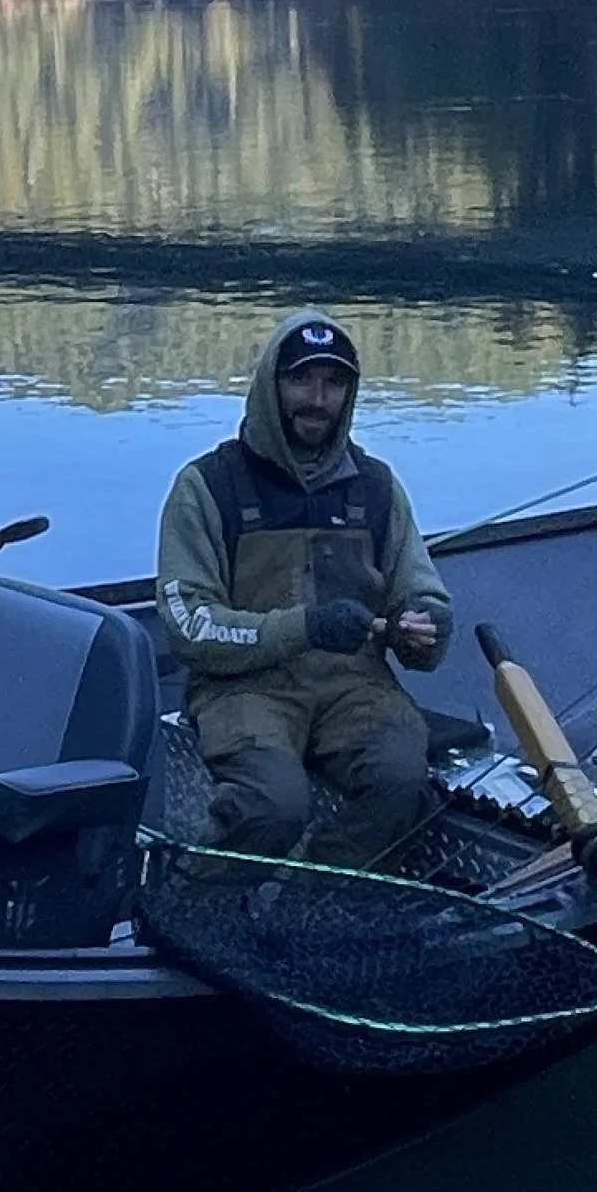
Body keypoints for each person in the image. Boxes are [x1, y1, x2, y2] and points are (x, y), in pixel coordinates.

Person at [156, 310, 454, 866]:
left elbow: (421, 592)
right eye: (301, 380)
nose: (317, 399)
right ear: (270, 386)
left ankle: (310, 904)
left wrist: (426, 626)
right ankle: (197, 904)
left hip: (356, 688)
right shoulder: (205, 486)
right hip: (241, 688)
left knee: (403, 777)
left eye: (334, 383)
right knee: (273, 804)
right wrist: (306, 627)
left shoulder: (377, 486)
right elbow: (189, 627)